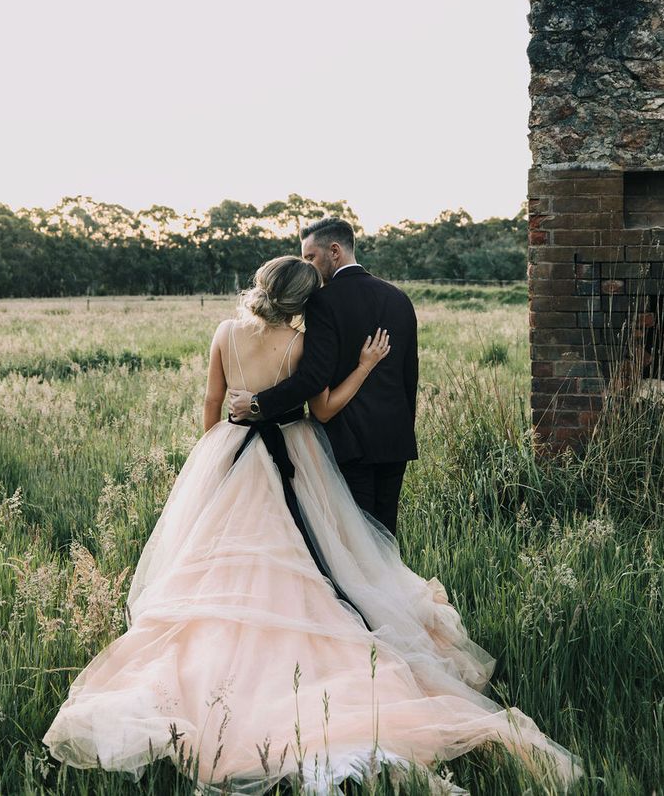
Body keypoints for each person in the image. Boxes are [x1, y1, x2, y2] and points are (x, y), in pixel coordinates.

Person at [42, 256, 584, 793]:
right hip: (293, 455)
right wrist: (366, 366)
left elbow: (211, 402)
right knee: (312, 559)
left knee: (216, 564)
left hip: (229, 452)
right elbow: (322, 411)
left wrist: (214, 459)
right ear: (303, 299)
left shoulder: (225, 333)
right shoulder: (300, 344)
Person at [230, 218, 418, 537]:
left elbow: (313, 378)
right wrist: (402, 428)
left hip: (347, 442)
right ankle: (391, 587)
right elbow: (408, 377)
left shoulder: (323, 302)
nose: (308, 267)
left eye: (310, 257)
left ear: (334, 251)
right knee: (386, 536)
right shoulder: (398, 298)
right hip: (393, 438)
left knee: (353, 540)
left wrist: (259, 404)